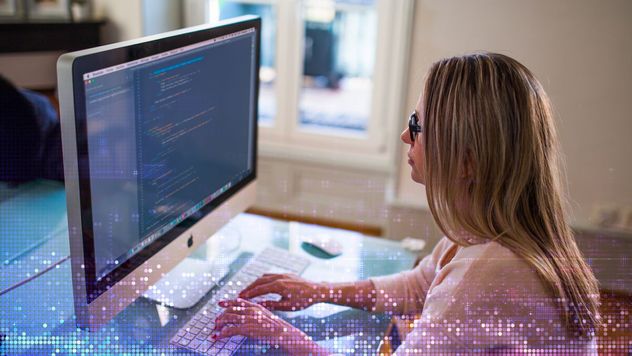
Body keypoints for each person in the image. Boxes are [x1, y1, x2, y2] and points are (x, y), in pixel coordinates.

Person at [212, 52, 600, 354]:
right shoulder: (492, 226)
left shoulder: (490, 273)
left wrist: (276, 330)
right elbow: (418, 285)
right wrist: (319, 290)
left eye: (416, 126)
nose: (404, 135)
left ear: (467, 161)